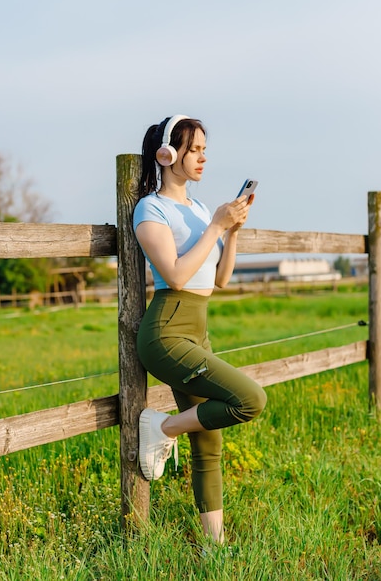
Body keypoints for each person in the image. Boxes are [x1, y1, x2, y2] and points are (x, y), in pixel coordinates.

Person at [132, 115, 267, 545]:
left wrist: (234, 232)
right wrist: (215, 228)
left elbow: (221, 279)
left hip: (198, 330)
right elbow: (174, 275)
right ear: (167, 154)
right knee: (250, 398)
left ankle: (215, 548)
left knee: (209, 444)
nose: (202, 157)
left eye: (205, 149)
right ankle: (164, 428)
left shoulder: (202, 209)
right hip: (166, 333)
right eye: (194, 149)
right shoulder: (151, 208)